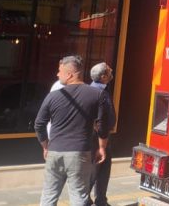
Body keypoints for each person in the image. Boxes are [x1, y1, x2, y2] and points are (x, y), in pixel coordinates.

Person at [34, 55, 112, 206]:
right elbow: (103, 125)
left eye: (60, 71)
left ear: (70, 74)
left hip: (54, 151)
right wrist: (102, 147)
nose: (57, 74)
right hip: (80, 153)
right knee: (79, 196)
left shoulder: (53, 96)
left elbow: (39, 124)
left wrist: (45, 146)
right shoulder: (97, 94)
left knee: (49, 195)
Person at [87, 63, 116, 206]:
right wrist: (102, 145)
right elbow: (101, 121)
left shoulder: (93, 89)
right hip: (98, 138)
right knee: (96, 169)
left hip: (97, 136)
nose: (111, 71)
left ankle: (100, 200)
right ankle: (85, 200)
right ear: (103, 76)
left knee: (102, 170)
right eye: (109, 70)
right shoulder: (100, 93)